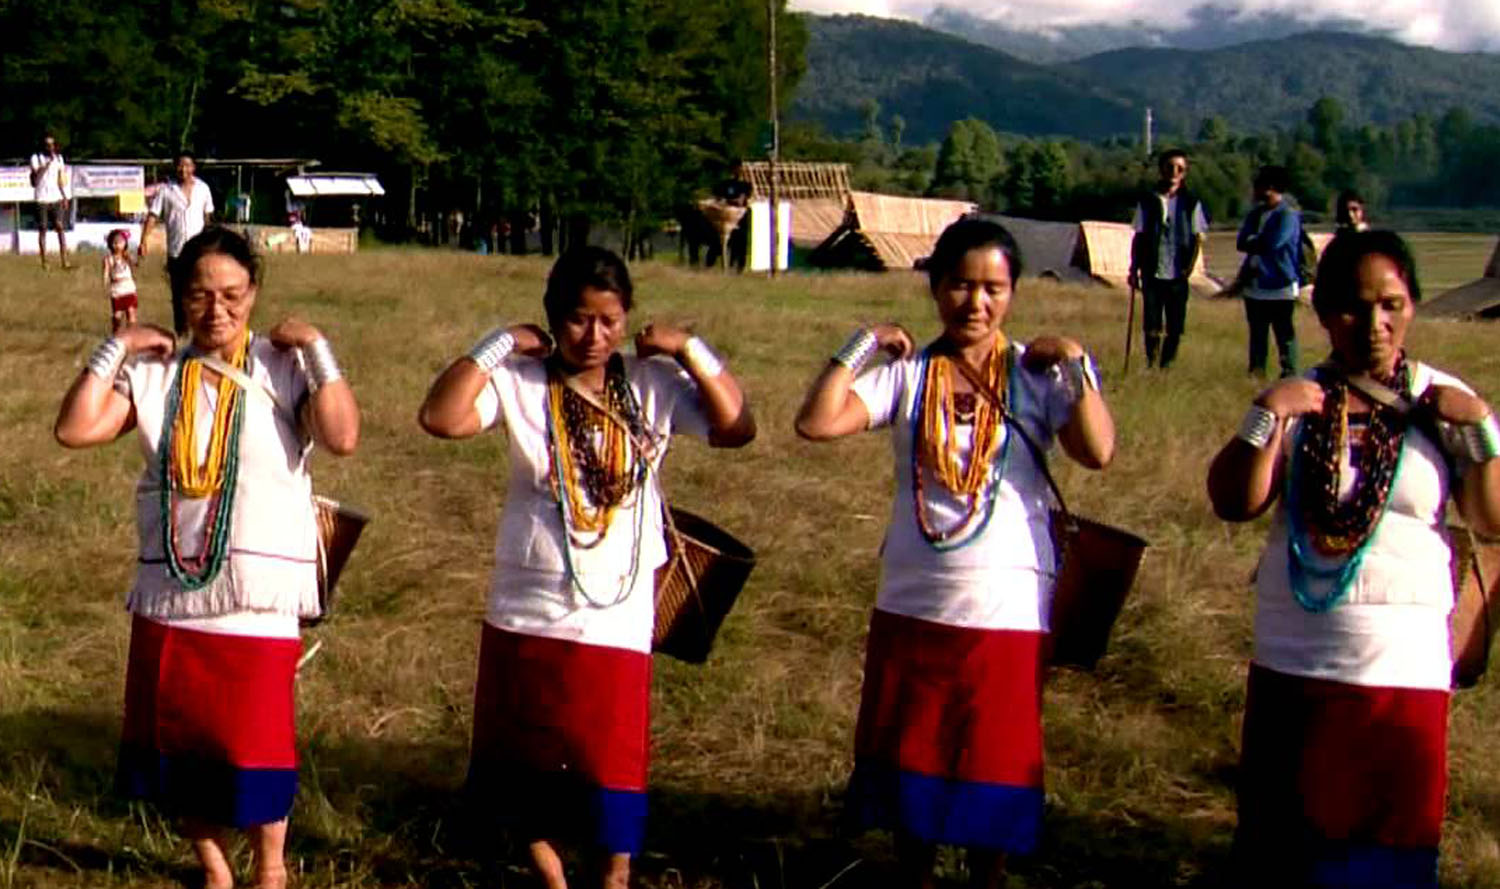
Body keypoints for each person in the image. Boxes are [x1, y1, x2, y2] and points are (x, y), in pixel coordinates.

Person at [417, 246, 755, 889]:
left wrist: (689, 350)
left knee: (611, 780)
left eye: (609, 320)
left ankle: (613, 878)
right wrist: (499, 343)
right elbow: (440, 417)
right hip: (528, 611)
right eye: (577, 320)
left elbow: (738, 426)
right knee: (521, 774)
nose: (593, 336)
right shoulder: (522, 383)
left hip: (616, 617)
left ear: (628, 318)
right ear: (551, 318)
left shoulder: (652, 386)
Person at [793, 216, 1115, 889]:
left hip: (1006, 603)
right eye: (961, 285)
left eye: (994, 287)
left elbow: (1097, 449)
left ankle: (988, 876)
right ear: (936, 288)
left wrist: (1077, 365)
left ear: (1014, 292)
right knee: (914, 754)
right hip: (915, 596)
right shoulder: (910, 375)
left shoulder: (1035, 376)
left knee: (992, 760)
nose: (977, 302)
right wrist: (863, 346)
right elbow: (817, 422)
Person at [53, 227, 360, 889]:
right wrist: (121, 345)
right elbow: (75, 428)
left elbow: (341, 435)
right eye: (199, 295)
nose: (216, 310)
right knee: (181, 742)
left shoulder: (282, 367)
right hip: (172, 594)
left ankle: (269, 867)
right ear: (178, 297)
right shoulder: (157, 372)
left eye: (232, 294)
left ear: (254, 294)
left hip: (256, 598)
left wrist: (318, 349)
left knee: (258, 744)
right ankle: (215, 868)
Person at [1206, 230, 1500, 889]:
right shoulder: (1300, 400)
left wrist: (1478, 430)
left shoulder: (1445, 401)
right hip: (1297, 658)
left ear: (1415, 306)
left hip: (1403, 672)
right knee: (1287, 849)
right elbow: (1233, 500)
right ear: (1322, 312)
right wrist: (1265, 418)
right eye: (1353, 306)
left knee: (1386, 851)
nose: (1375, 324)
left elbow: (1491, 517)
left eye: (1392, 303)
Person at [1130, 148, 1208, 369]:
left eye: (1180, 168)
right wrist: (1133, 269)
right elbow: (1139, 235)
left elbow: (1197, 238)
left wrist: (1188, 268)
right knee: (1151, 322)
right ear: (1161, 170)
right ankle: (1151, 362)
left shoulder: (1192, 202)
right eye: (1170, 167)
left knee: (1175, 325)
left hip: (1177, 273)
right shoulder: (1147, 200)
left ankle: (1167, 365)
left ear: (1185, 173)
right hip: (1152, 269)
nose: (1174, 172)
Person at [1237, 165, 1302, 378]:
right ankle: (1256, 375)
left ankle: (1289, 375)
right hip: (1254, 285)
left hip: (1280, 284)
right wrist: (1256, 241)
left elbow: (1274, 243)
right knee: (1257, 336)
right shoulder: (1255, 214)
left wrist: (1254, 241)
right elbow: (1241, 242)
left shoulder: (1288, 215)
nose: (1255, 191)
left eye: (1258, 186)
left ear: (1271, 187)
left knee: (1285, 335)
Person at [141, 152, 215, 333]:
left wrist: (211, 242)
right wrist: (144, 240)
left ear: (193, 168)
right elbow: (153, 216)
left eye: (187, 165)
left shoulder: (203, 189)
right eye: (180, 165)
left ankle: (201, 327)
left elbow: (208, 217)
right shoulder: (166, 191)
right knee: (179, 293)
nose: (183, 169)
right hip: (177, 250)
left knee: (200, 290)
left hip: (199, 249)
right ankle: (181, 330)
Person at [30, 133, 72, 269]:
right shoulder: (36, 158)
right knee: (42, 228)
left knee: (60, 227)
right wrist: (46, 165)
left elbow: (61, 179)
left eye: (52, 144)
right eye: (47, 145)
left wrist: (65, 196)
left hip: (56, 197)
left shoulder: (59, 159)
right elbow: (35, 176)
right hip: (41, 197)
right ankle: (44, 261)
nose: (50, 147)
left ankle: (64, 260)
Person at [102, 229, 138, 333]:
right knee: (117, 314)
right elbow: (106, 272)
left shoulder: (126, 256)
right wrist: (105, 283)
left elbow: (135, 264)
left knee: (131, 312)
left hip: (128, 287)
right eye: (115, 243)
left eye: (121, 242)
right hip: (117, 289)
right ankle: (116, 333)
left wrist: (132, 258)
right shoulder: (108, 259)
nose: (117, 245)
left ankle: (132, 333)